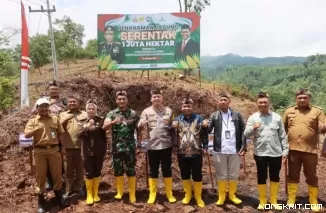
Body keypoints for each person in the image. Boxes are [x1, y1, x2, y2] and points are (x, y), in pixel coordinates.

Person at [283, 88, 326, 212]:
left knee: (311, 175)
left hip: (310, 150)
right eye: (299, 98)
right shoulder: (289, 111)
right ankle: (291, 199)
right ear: (296, 99)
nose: (302, 100)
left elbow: (324, 127)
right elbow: (282, 129)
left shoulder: (317, 111)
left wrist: (323, 127)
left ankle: (313, 200)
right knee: (292, 175)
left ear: (309, 99)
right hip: (293, 150)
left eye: (305, 97)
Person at [244, 92, 288, 210]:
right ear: (257, 104)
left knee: (275, 176)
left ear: (269, 103)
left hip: (276, 152)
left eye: (265, 102)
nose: (263, 104)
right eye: (260, 102)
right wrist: (253, 127)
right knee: (261, 176)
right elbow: (246, 133)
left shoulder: (277, 117)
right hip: (260, 153)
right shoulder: (253, 118)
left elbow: (283, 135)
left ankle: (273, 200)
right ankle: (263, 201)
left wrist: (285, 151)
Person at [24, 98, 68, 213]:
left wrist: (62, 147)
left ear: (48, 107)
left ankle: (59, 198)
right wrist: (36, 129)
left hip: (54, 151)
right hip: (39, 152)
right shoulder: (32, 121)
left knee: (57, 175)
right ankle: (41, 202)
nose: (44, 109)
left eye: (45, 106)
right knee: (40, 177)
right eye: (41, 106)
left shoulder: (55, 119)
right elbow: (27, 135)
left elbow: (61, 133)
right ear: (37, 108)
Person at [207, 92, 246, 206]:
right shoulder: (214, 115)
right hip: (219, 150)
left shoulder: (237, 115)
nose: (223, 101)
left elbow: (244, 130)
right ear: (218, 102)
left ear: (229, 101)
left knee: (233, 174)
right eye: (221, 100)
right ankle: (221, 196)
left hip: (235, 149)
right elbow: (208, 130)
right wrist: (204, 125)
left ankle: (232, 195)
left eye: (225, 99)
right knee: (221, 174)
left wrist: (244, 146)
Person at [138, 89, 176, 204]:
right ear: (151, 99)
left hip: (166, 145)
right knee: (153, 170)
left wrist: (175, 143)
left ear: (162, 98)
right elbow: (139, 127)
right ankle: (152, 194)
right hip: (152, 146)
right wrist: (141, 124)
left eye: (158, 96)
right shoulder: (146, 111)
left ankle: (169, 193)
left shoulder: (169, 111)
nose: (156, 98)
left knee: (167, 169)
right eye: (154, 97)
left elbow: (174, 128)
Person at [102, 91, 140, 203]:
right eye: (119, 99)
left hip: (130, 148)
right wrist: (113, 122)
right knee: (118, 170)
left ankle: (132, 194)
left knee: (131, 170)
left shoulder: (133, 114)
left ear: (127, 100)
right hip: (116, 148)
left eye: (124, 99)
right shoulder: (112, 113)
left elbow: (140, 128)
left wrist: (140, 143)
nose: (122, 101)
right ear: (116, 101)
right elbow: (104, 127)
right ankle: (120, 192)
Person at [31, 80, 67, 191]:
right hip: (45, 132)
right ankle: (49, 181)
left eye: (56, 89)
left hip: (60, 130)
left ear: (59, 90)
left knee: (59, 157)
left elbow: (69, 111)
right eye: (52, 89)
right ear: (49, 90)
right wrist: (49, 104)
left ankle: (60, 179)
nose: (54, 91)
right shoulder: (43, 101)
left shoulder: (63, 101)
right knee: (45, 158)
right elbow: (33, 112)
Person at [172, 97, 208, 208]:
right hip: (182, 153)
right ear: (181, 107)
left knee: (197, 174)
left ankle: (198, 196)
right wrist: (171, 126)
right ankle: (187, 195)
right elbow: (172, 134)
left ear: (192, 107)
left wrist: (205, 146)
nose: (186, 108)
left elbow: (204, 133)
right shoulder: (177, 120)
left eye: (189, 106)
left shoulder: (199, 118)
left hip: (196, 152)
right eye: (184, 106)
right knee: (184, 174)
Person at [78, 100, 107, 205]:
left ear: (96, 110)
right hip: (87, 151)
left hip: (99, 150)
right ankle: (89, 194)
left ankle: (96, 193)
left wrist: (104, 148)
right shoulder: (82, 120)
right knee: (89, 172)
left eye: (93, 109)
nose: (91, 111)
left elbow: (104, 135)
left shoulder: (101, 120)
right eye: (89, 109)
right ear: (86, 110)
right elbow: (79, 135)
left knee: (97, 171)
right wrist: (87, 126)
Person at [60, 95, 88, 198]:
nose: (72, 103)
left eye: (74, 102)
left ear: (79, 103)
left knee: (80, 169)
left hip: (81, 147)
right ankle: (69, 189)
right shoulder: (63, 114)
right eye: (70, 102)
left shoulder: (85, 114)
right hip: (67, 147)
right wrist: (65, 119)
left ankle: (79, 188)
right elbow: (58, 128)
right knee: (68, 169)